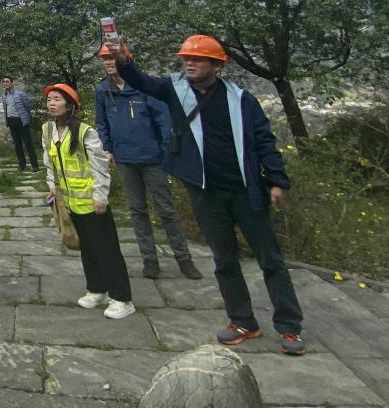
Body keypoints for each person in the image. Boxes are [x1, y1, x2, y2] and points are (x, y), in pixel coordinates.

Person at [109, 36, 306, 355]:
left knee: (271, 260)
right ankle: (242, 321)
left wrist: (276, 181)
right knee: (224, 260)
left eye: (198, 59)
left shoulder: (241, 99)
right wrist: (123, 62)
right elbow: (141, 82)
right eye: (186, 58)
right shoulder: (176, 91)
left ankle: (289, 327)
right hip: (206, 192)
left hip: (246, 190)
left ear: (216, 65)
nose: (190, 63)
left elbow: (264, 141)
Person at [94, 45, 201, 280]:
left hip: (153, 158)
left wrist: (165, 152)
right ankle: (149, 260)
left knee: (166, 209)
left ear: (124, 59)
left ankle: (184, 259)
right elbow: (101, 123)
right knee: (137, 211)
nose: (108, 62)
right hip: (124, 158)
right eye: (104, 59)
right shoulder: (102, 90)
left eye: (112, 58)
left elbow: (164, 121)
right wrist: (107, 148)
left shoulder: (143, 88)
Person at [42, 83, 135, 320]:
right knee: (88, 249)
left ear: (70, 106)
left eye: (57, 99)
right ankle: (96, 289)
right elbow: (49, 163)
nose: (52, 104)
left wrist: (100, 196)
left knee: (107, 250)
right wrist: (52, 186)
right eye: (49, 99)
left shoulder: (85, 132)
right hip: (69, 202)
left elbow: (99, 167)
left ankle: (122, 298)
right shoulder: (48, 131)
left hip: (91, 202)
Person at [0, 77, 38, 172]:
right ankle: (22, 165)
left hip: (21, 120)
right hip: (11, 121)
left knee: (28, 143)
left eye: (7, 81)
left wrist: (26, 117)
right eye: (4, 81)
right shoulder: (4, 96)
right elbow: (6, 108)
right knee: (17, 144)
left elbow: (27, 106)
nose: (5, 83)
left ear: (11, 83)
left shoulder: (20, 94)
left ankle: (34, 165)